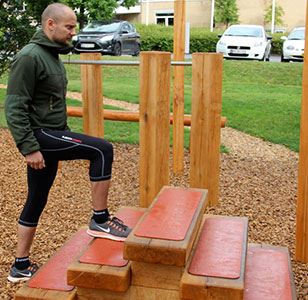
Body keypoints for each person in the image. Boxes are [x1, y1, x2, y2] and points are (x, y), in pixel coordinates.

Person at [5, 3, 131, 283]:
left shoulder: (51, 55)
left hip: (50, 135)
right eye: (69, 27)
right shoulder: (30, 57)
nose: (73, 33)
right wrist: (29, 148)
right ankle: (100, 220)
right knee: (102, 149)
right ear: (50, 24)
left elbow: (46, 102)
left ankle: (20, 266)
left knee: (36, 199)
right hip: (40, 137)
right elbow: (14, 107)